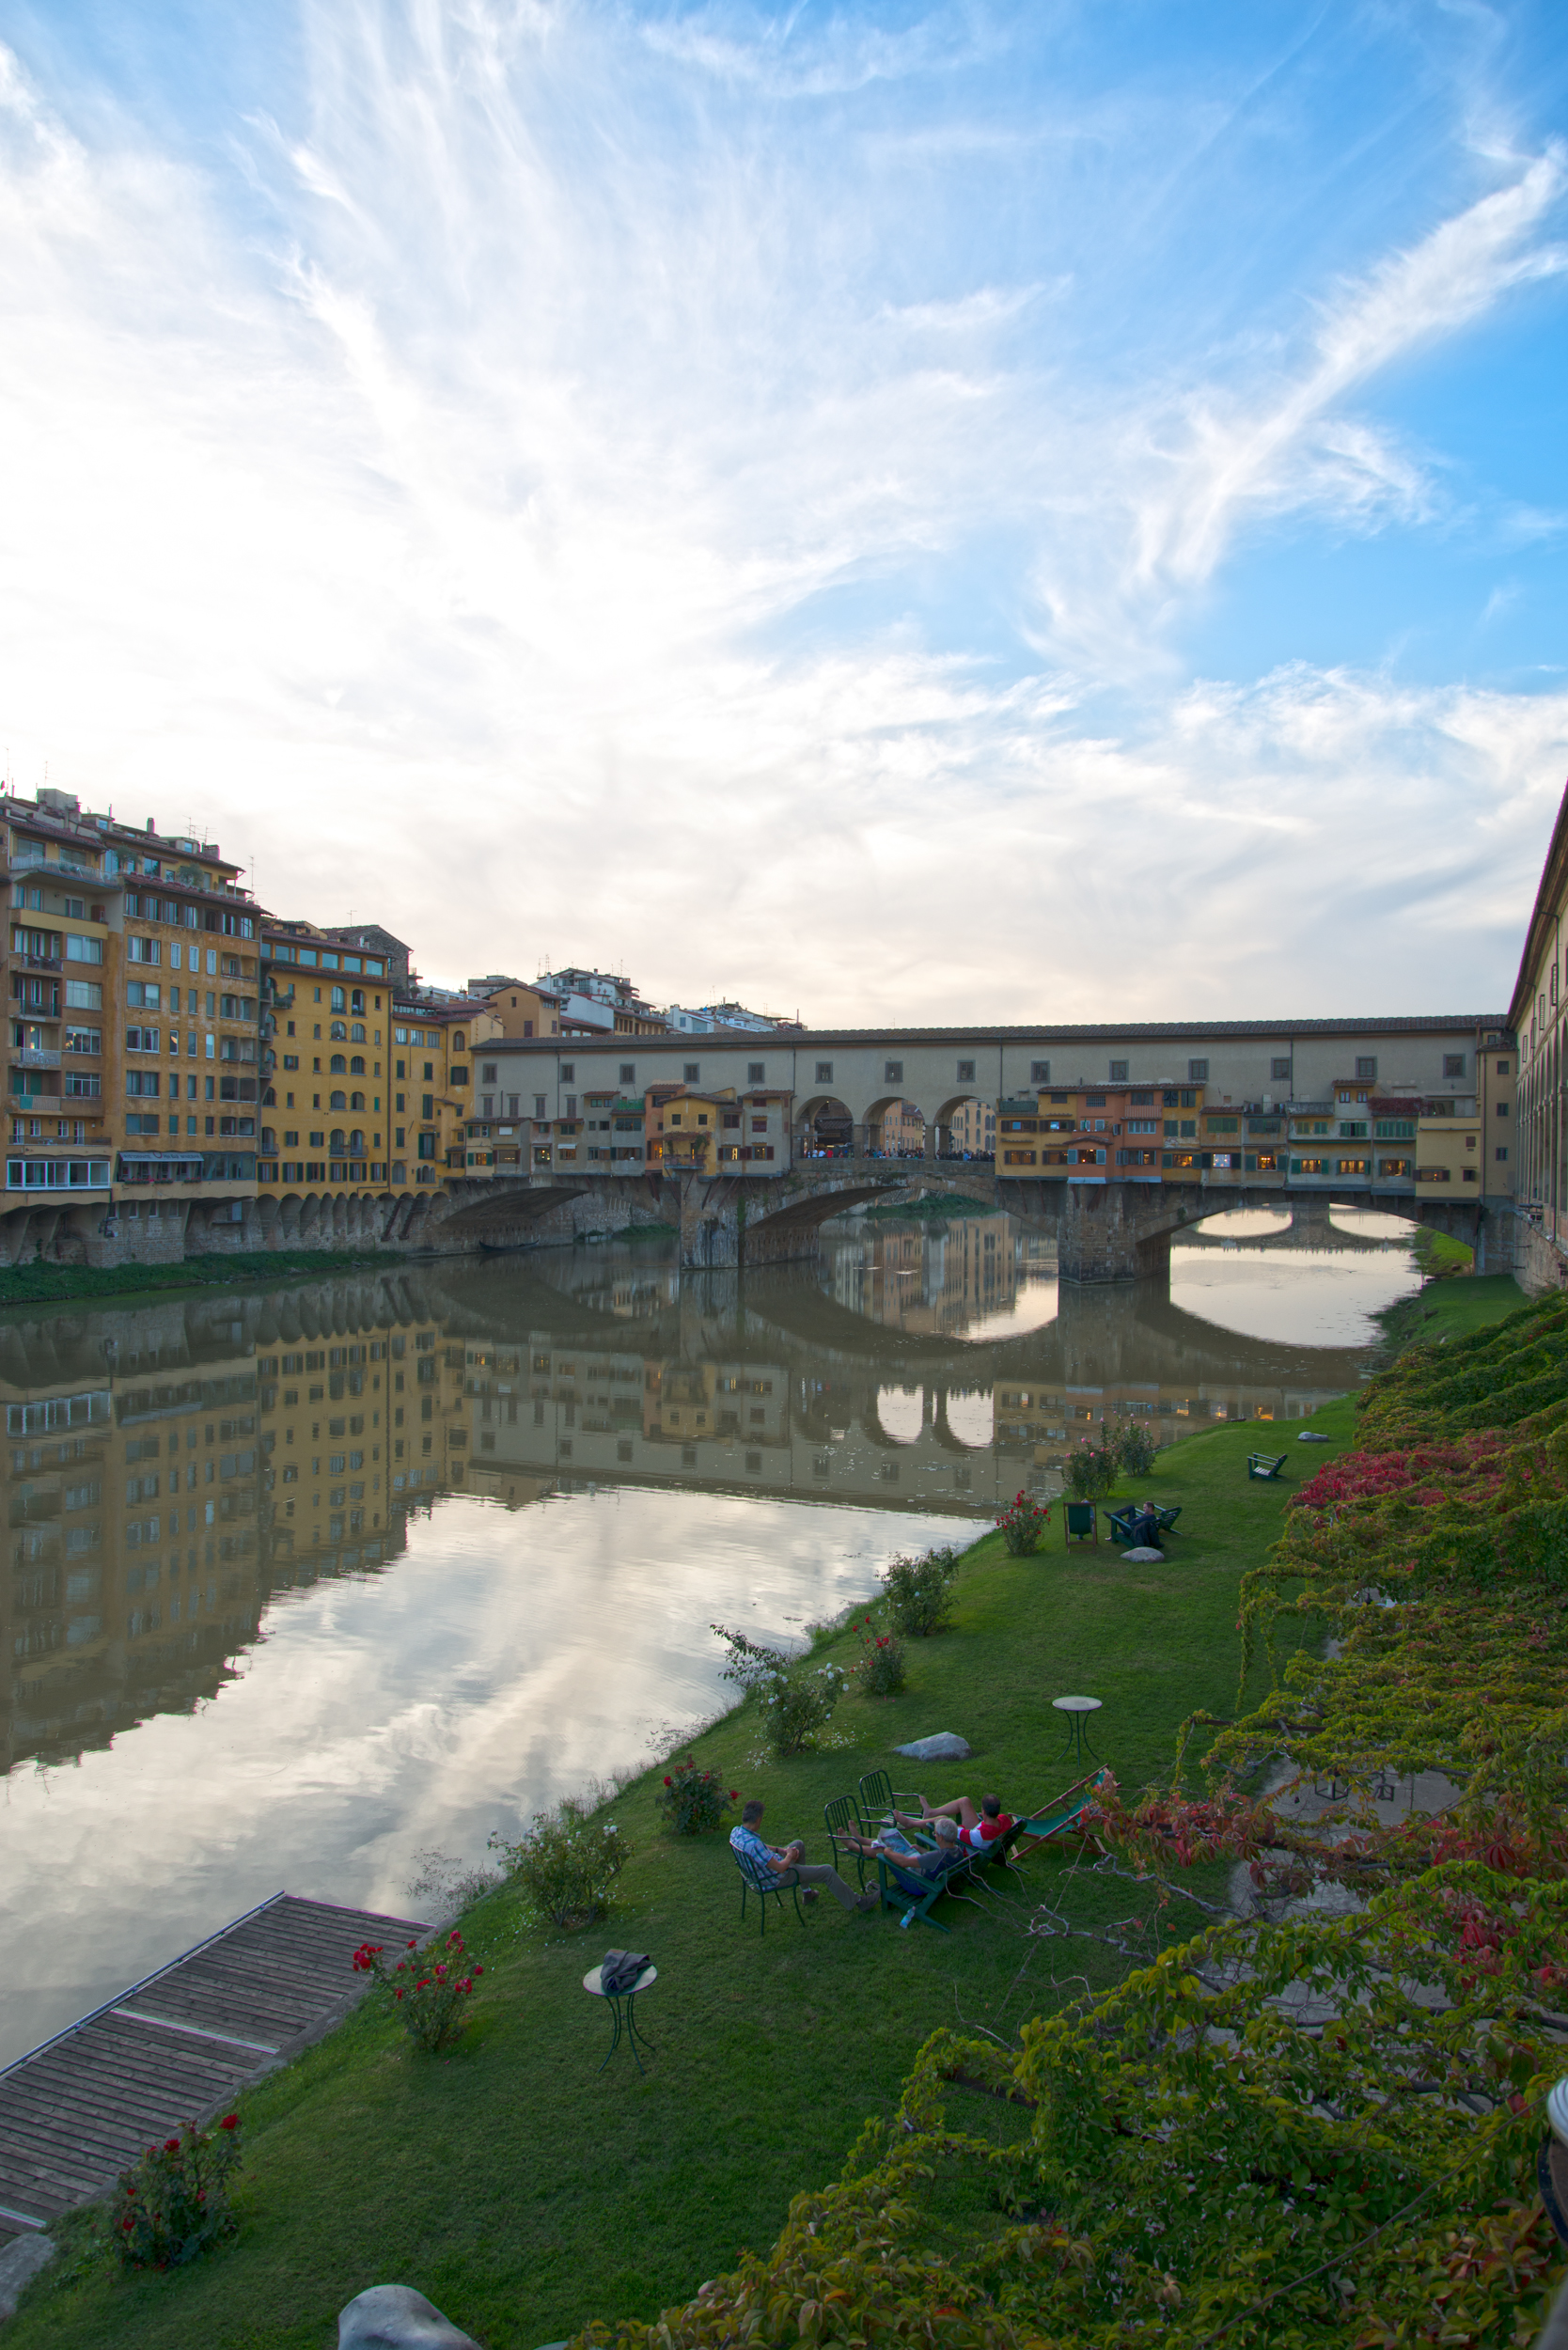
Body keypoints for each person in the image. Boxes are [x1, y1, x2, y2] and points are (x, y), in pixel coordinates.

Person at [729, 1798, 879, 1913]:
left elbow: (760, 1846)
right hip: (775, 1878)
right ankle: (858, 1902)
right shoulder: (754, 1846)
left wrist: (780, 1850)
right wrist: (788, 1855)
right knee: (827, 1871)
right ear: (758, 1820)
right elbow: (781, 1869)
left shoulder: (737, 1832)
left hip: (756, 1873)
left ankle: (807, 1894)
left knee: (798, 1844)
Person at [893, 1792, 1015, 1851]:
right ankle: (930, 1812)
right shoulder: (1005, 1821)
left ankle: (911, 1823)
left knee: (943, 1820)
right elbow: (991, 1826)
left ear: (983, 1812)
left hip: (970, 1849)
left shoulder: (977, 1836)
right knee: (965, 1801)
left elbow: (956, 1831)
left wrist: (945, 1822)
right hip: (983, 1837)